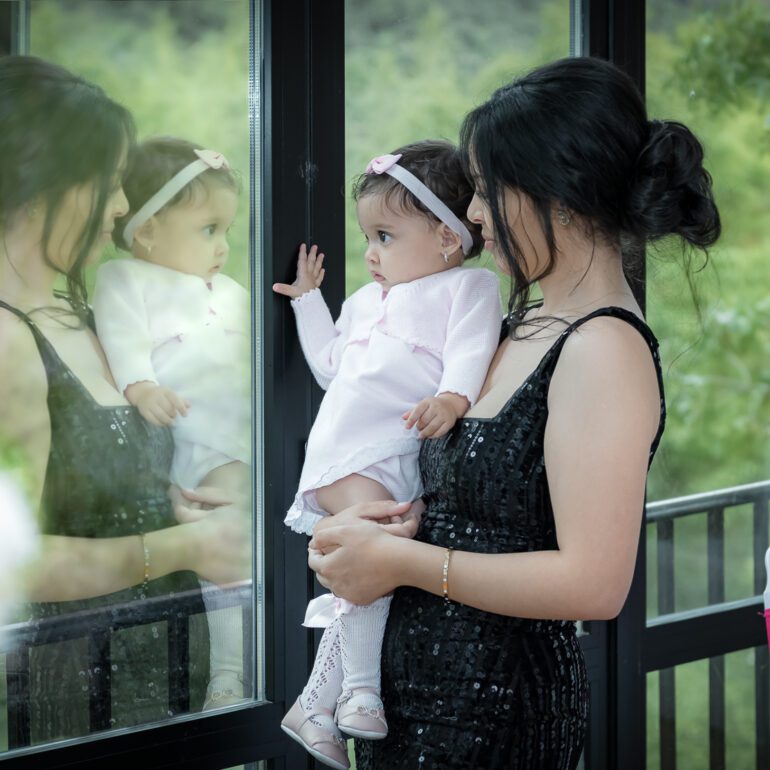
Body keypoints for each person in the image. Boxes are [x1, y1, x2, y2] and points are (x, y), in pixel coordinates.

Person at [308, 56, 720, 769]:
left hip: (496, 716)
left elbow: (594, 583)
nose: (471, 214)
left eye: (489, 190)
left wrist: (402, 560)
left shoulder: (602, 348)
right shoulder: (518, 321)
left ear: (558, 195)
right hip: (420, 703)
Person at [0, 55, 248, 744]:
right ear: (48, 183)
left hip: (177, 660)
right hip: (86, 694)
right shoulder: (6, 340)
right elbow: (13, 563)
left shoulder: (82, 313)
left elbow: (96, 491)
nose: (119, 207)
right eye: (109, 183)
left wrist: (177, 502)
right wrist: (179, 544)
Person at [273, 140, 502, 770]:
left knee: (371, 569)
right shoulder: (362, 303)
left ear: (448, 238)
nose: (370, 255)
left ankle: (316, 706)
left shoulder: (467, 288)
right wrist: (307, 301)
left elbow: (472, 349)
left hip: (392, 457)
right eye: (367, 238)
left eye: (385, 236)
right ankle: (360, 694)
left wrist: (454, 396)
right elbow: (327, 368)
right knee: (376, 563)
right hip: (350, 452)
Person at [92, 136, 250, 709]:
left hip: (253, 436)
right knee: (228, 541)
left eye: (228, 231)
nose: (224, 247)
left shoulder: (232, 292)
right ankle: (229, 674)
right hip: (203, 441)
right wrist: (140, 383)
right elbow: (120, 330)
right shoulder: (126, 279)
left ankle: (282, 663)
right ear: (149, 230)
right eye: (209, 230)